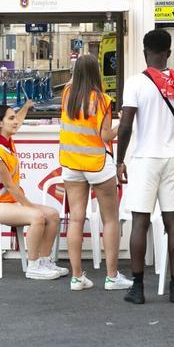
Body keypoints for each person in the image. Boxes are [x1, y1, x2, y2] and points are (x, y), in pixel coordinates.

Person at [116, 29, 174, 304]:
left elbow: (126, 125)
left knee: (140, 221)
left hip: (144, 159)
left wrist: (119, 160)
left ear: (144, 52)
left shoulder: (136, 83)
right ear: (169, 53)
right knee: (173, 221)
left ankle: (137, 288)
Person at [58, 54, 131, 291]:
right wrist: (124, 123)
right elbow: (106, 136)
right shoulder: (102, 100)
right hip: (98, 165)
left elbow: (71, 83)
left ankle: (77, 277)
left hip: (71, 165)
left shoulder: (67, 95)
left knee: (76, 218)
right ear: (96, 73)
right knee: (110, 219)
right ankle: (111, 277)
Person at [0, 102, 66, 280]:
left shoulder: (7, 142)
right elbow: (10, 187)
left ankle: (44, 260)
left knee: (53, 214)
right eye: (11, 118)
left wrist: (26, 106)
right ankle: (33, 266)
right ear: (0, 123)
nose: (16, 121)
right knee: (37, 216)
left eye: (15, 118)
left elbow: (20, 118)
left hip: (8, 202)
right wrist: (31, 207)